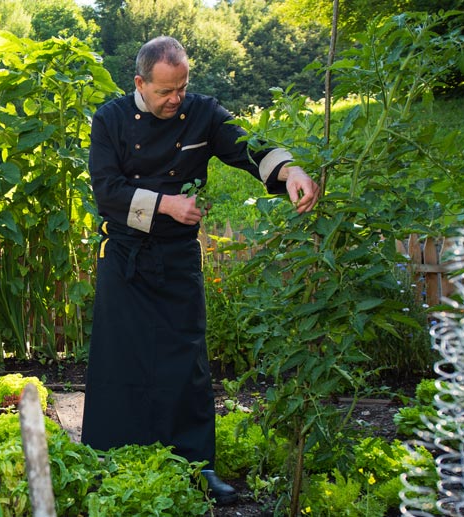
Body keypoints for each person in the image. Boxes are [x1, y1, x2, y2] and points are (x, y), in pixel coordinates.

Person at [81, 36, 321, 506]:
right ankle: (109, 461)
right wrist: (167, 204)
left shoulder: (202, 112)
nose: (176, 100)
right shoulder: (109, 119)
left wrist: (289, 169)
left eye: (182, 89)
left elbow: (249, 146)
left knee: (186, 361)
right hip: (126, 256)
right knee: (118, 359)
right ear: (140, 83)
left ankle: (197, 465)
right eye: (166, 91)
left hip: (177, 257)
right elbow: (106, 191)